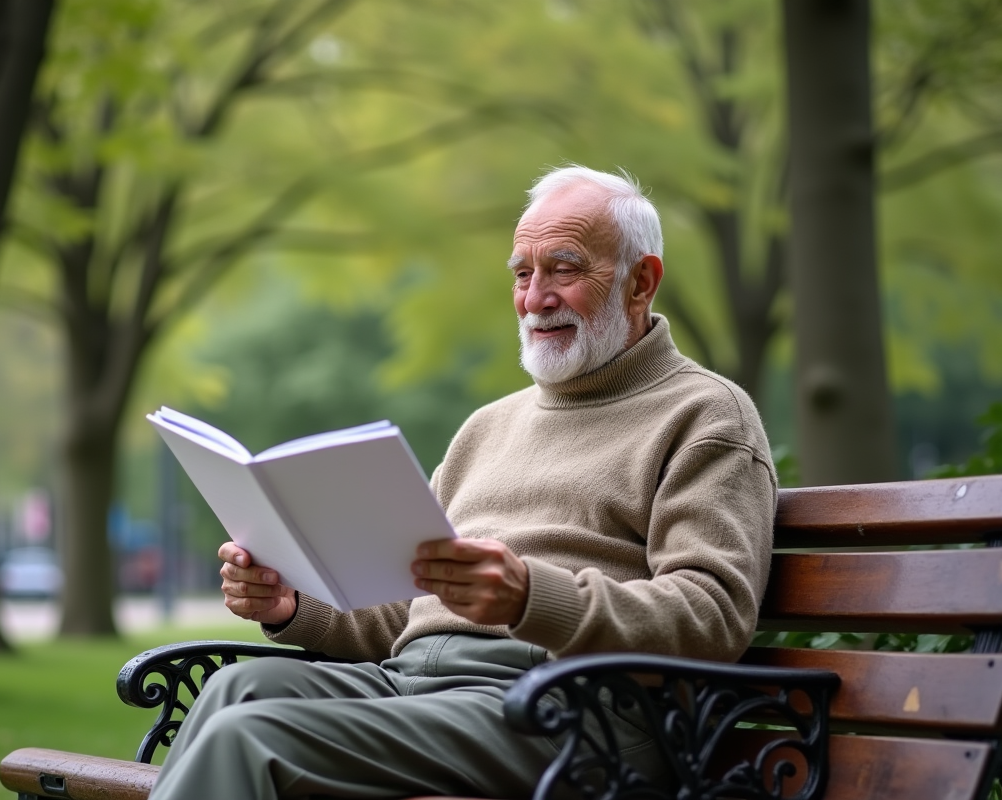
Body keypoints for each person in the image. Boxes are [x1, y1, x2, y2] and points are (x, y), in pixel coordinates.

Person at [148, 165, 777, 800]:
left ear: (640, 281)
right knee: (235, 689)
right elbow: (408, 606)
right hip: (420, 685)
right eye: (522, 274)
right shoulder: (487, 427)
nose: (535, 298)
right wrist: (288, 606)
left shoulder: (705, 415)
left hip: (572, 707)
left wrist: (532, 597)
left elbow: (712, 614)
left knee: (250, 737)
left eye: (563, 269)